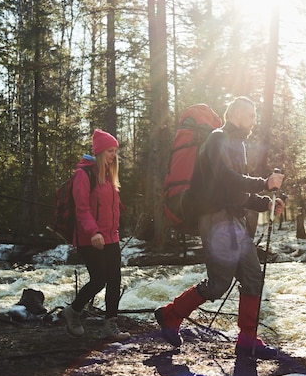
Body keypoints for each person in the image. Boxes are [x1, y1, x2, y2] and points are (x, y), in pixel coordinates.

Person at [154, 97, 285, 359]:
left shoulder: (237, 145)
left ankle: (247, 340)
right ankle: (170, 315)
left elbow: (234, 191)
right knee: (218, 284)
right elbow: (223, 178)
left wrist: (265, 204)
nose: (254, 120)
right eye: (250, 114)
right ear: (235, 113)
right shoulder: (217, 139)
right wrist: (263, 182)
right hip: (215, 219)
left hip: (232, 221)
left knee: (252, 278)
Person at [62, 129, 130, 341]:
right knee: (99, 279)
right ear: (100, 151)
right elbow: (82, 209)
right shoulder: (84, 174)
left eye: (115, 151)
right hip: (89, 238)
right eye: (110, 150)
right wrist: (94, 232)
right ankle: (73, 312)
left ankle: (110, 325)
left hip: (111, 236)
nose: (113, 155)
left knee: (114, 280)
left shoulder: (109, 175)